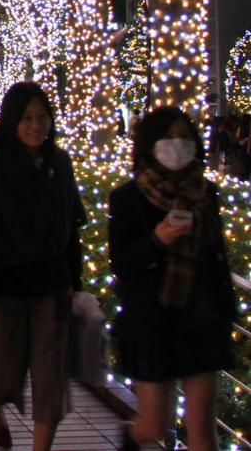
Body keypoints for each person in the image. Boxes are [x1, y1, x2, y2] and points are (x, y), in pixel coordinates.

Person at [0, 81, 86, 451]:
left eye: (42, 116)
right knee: (2, 372)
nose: (36, 125)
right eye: (27, 117)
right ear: (11, 121)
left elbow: (71, 229)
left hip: (52, 285)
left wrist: (76, 285)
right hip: (5, 286)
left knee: (50, 380)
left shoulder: (59, 163)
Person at [109, 106, 236, 451]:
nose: (177, 145)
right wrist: (157, 239)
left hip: (202, 319)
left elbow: (216, 256)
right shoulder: (128, 198)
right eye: (168, 138)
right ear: (150, 145)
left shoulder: (205, 193)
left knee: (202, 432)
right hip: (153, 324)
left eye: (184, 138)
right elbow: (122, 263)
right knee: (155, 425)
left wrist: (226, 309)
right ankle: (131, 437)